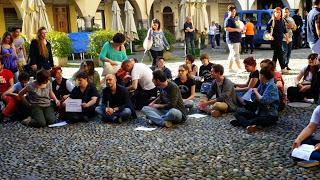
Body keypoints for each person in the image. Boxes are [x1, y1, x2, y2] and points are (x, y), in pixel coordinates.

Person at [231, 67, 279, 133]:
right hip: (259, 112)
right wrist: (250, 94)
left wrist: (256, 92)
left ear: (262, 76)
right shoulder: (262, 84)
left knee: (256, 120)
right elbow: (252, 96)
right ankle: (247, 123)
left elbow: (264, 100)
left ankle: (246, 123)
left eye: (259, 75)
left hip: (269, 115)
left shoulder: (272, 86)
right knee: (237, 114)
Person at [267, 7, 289, 74]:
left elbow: (285, 30)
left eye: (279, 12)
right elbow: (267, 30)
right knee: (280, 54)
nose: (278, 13)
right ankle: (283, 68)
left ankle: (272, 68)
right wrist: (270, 36)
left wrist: (287, 38)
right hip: (274, 41)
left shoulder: (282, 21)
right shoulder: (272, 21)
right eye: (277, 12)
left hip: (280, 40)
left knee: (275, 55)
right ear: (274, 13)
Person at [225, 4, 242, 73]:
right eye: (232, 11)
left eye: (235, 11)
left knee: (232, 54)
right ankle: (239, 68)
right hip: (232, 40)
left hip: (235, 39)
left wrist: (240, 30)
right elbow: (227, 29)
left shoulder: (233, 19)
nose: (234, 13)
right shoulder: (228, 19)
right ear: (229, 11)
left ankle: (229, 68)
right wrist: (236, 30)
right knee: (235, 54)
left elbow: (235, 28)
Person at [0, 58, 14, 122]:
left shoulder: (8, 72)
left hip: (5, 92)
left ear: (2, 65)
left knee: (12, 100)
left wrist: (5, 93)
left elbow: (12, 85)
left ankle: (3, 114)